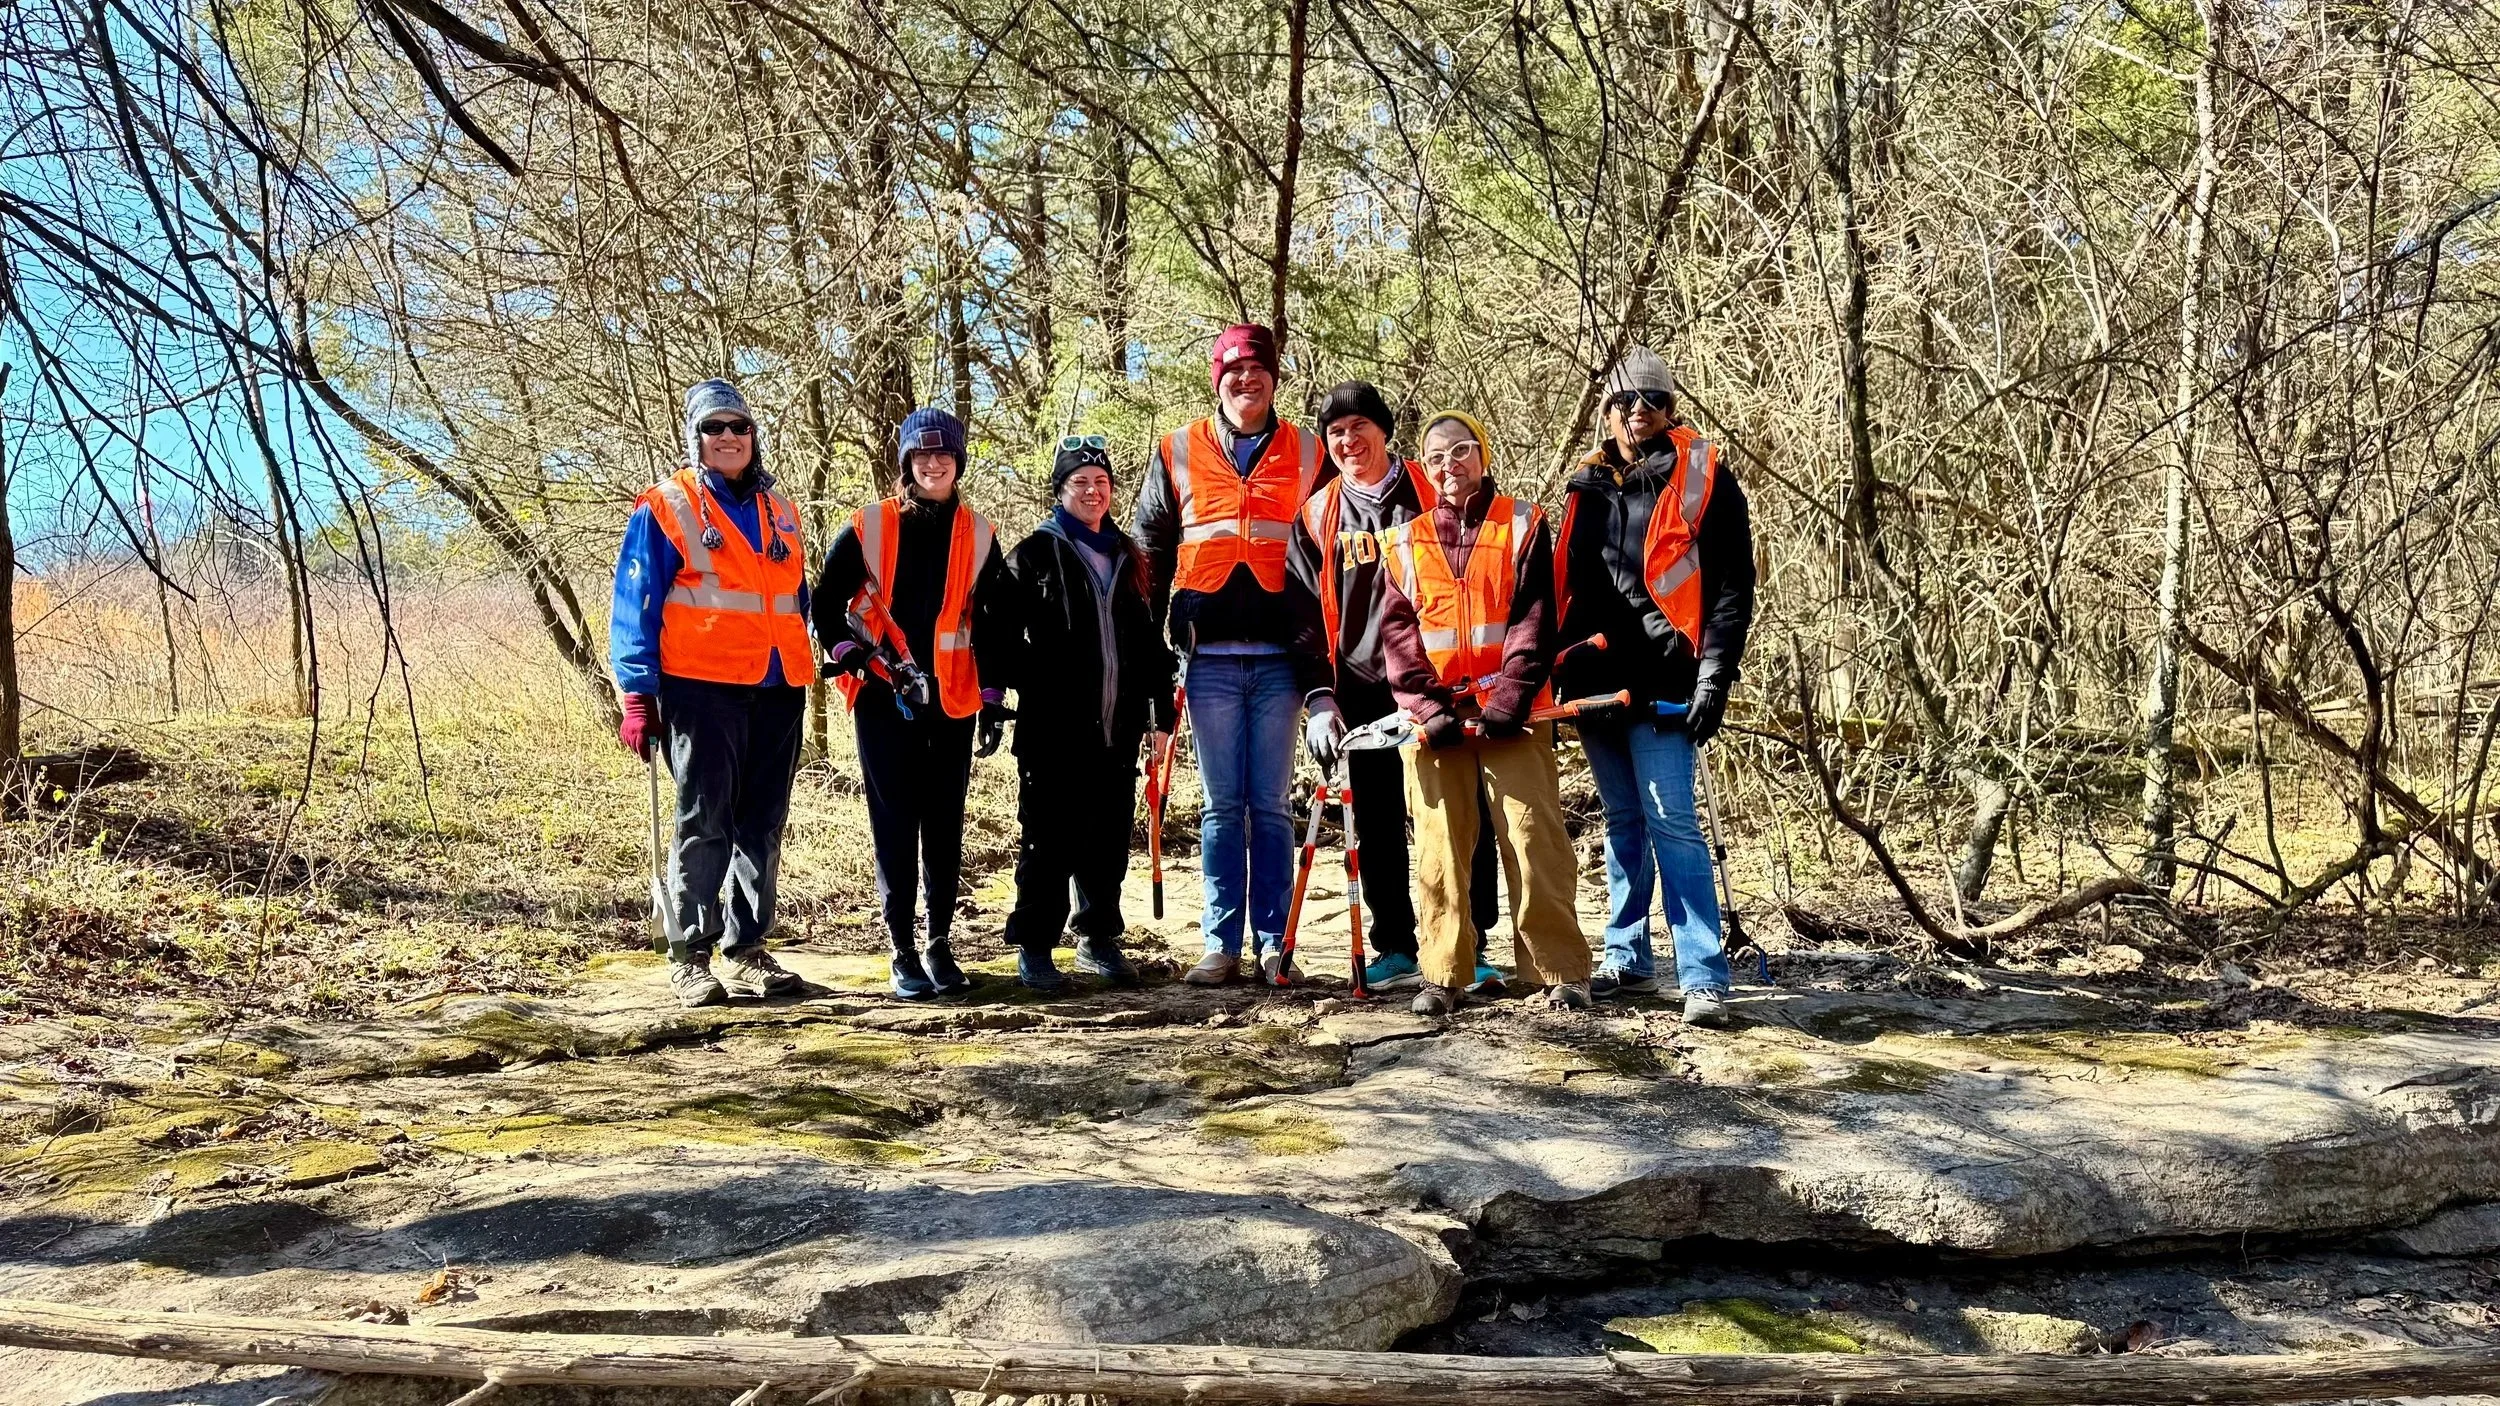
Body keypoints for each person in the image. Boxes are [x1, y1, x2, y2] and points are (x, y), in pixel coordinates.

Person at [1553, 347, 1755, 1028]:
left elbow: (1732, 590)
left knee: (1673, 822)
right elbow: (1565, 594)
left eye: (1651, 401)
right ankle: (1628, 957)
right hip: (1595, 685)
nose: (1636, 412)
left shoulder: (1705, 481)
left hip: (1668, 682)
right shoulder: (1586, 486)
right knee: (1623, 822)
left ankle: (1702, 975)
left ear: (1671, 409)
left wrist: (1714, 681)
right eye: (1623, 402)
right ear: (1608, 411)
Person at [1288, 381, 1505, 995]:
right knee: (1377, 819)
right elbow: (1303, 613)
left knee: (1459, 816)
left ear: (1384, 431)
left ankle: (1471, 942)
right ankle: (1395, 946)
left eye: (1360, 427)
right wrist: (1318, 698)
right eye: (1335, 433)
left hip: (1437, 683)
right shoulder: (1316, 513)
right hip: (1358, 687)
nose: (1349, 441)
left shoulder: (1428, 486)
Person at [1134, 323, 1332, 987]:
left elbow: (1337, 540)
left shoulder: (1310, 450)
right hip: (1207, 656)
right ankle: (1221, 942)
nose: (1246, 382)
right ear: (1216, 380)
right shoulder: (1177, 449)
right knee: (1222, 807)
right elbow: (1150, 555)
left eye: (1258, 371)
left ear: (1275, 378)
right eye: (1233, 372)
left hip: (1283, 656)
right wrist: (1150, 651)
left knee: (1271, 805)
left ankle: (1276, 943)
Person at [1377, 411, 1590, 1015]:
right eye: (1438, 456)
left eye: (1462, 451)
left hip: (1514, 715)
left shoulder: (1523, 525)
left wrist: (1510, 698)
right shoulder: (1404, 542)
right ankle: (1442, 974)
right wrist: (1426, 706)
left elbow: (1535, 617)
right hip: (1435, 722)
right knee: (1440, 848)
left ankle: (1561, 972)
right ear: (1424, 468)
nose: (1451, 465)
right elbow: (1397, 635)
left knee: (1533, 838)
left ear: (1484, 455)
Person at [609, 379, 813, 1009]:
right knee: (705, 821)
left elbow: (796, 596)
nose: (728, 437)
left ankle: (746, 946)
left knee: (763, 821)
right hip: (702, 688)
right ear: (696, 438)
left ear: (754, 436)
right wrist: (637, 695)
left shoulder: (782, 509)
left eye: (738, 427)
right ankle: (690, 953)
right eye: (714, 428)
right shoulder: (665, 506)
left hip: (778, 685)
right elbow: (634, 605)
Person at [813, 407, 1012, 1001]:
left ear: (958, 463)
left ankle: (940, 944)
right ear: (906, 463)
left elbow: (994, 622)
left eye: (944, 455)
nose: (933, 464)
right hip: (883, 698)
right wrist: (851, 655)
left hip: (952, 701)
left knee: (944, 827)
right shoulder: (869, 526)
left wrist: (994, 697)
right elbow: (825, 602)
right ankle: (901, 946)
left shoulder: (980, 534)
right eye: (922, 456)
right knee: (895, 823)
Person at [992, 437, 1178, 992]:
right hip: (1052, 731)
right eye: (1080, 482)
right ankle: (1035, 945)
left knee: (1106, 837)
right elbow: (998, 636)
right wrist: (1025, 685)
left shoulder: (1130, 557)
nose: (1093, 491)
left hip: (1117, 731)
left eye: (1101, 482)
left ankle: (1098, 938)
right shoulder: (1032, 555)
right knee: (1049, 839)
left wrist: (1161, 716)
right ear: (1060, 491)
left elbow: (1149, 647)